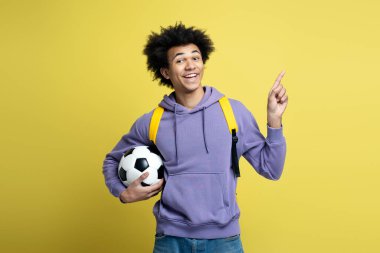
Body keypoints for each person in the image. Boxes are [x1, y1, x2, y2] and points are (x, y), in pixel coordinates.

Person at [102, 22, 288, 253]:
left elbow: (272, 169)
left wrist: (274, 120)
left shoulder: (233, 113)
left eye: (196, 58)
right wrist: (122, 193)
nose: (190, 65)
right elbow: (112, 160)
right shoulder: (153, 121)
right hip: (170, 240)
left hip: (224, 241)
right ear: (166, 72)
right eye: (180, 60)